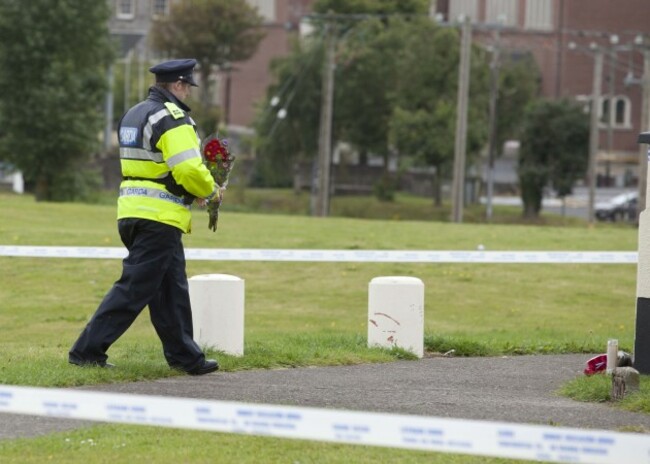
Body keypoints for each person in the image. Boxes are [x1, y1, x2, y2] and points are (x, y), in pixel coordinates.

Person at [69, 59, 220, 375]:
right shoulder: (174, 118)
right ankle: (86, 351)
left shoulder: (134, 114)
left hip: (132, 212)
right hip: (159, 216)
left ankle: (185, 357)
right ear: (178, 85)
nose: (189, 94)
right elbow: (188, 168)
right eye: (187, 87)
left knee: (170, 288)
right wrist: (211, 189)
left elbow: (147, 166)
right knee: (134, 288)